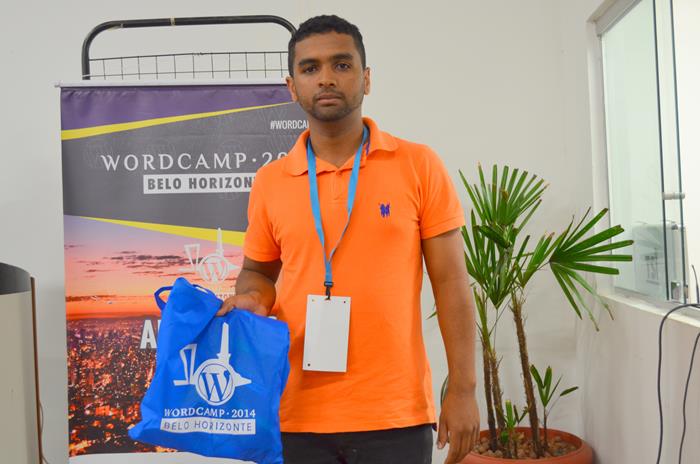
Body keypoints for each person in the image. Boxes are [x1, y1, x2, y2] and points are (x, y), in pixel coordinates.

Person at [219, 14, 479, 464]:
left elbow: (452, 283)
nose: (326, 78)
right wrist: (253, 298)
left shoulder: (418, 165)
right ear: (292, 86)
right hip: (295, 412)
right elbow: (258, 272)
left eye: (341, 65)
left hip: (395, 413)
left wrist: (463, 389)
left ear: (367, 78)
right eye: (310, 68)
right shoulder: (270, 181)